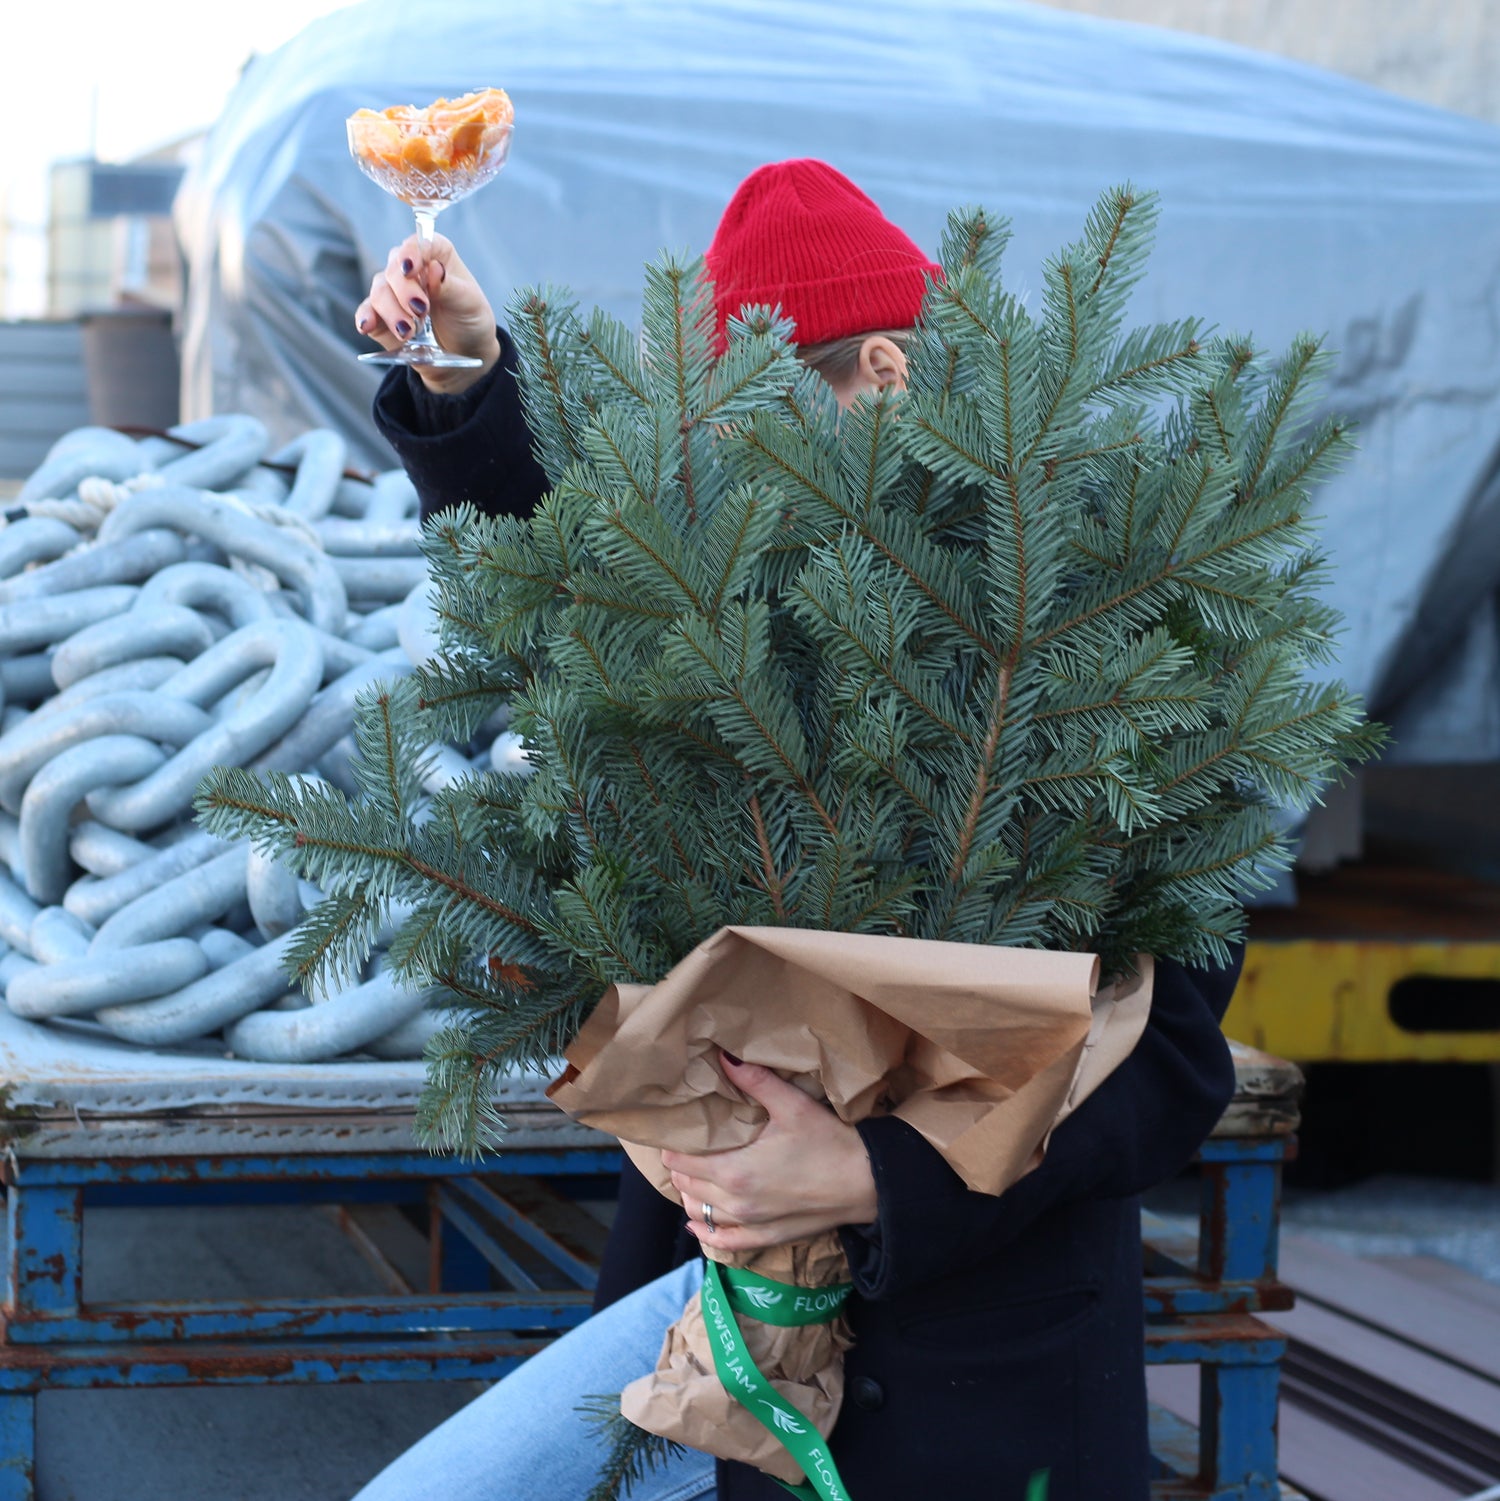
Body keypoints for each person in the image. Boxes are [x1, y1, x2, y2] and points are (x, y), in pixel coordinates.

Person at [350, 160, 1241, 1501]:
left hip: (993, 1407)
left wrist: (879, 1175)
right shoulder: (736, 597)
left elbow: (1171, 1056)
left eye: (758, 424)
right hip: (718, 1358)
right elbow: (566, 600)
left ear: (885, 371)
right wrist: (467, 374)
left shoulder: (1101, 633)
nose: (720, 481)